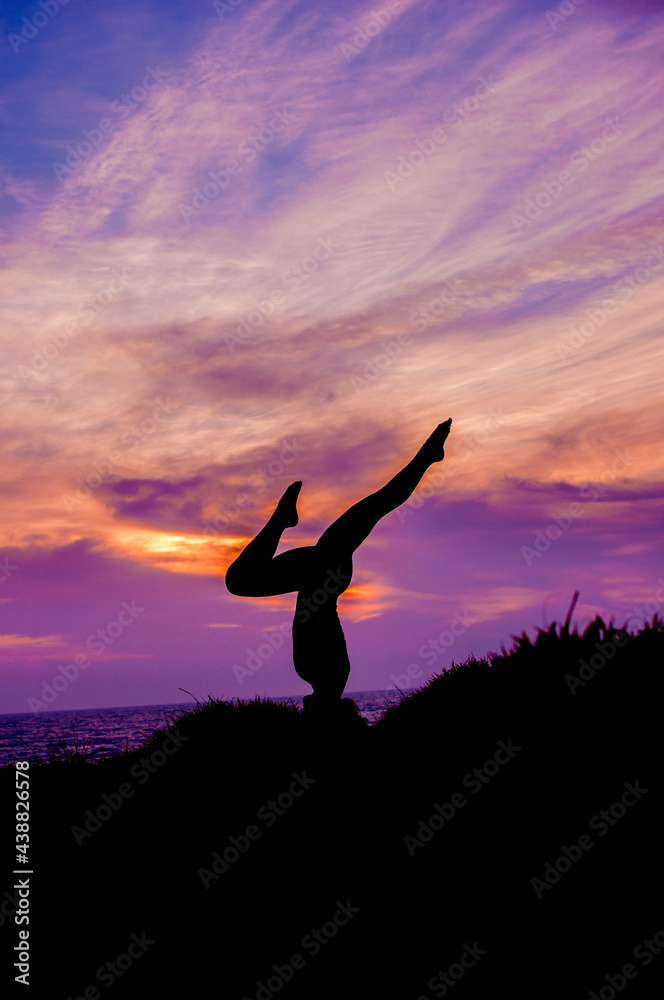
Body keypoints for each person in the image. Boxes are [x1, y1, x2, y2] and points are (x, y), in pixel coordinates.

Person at [225, 418, 452, 714]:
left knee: (239, 582)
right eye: (309, 712)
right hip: (324, 574)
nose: (304, 708)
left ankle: (282, 520)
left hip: (317, 575)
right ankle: (426, 457)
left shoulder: (316, 676)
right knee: (377, 506)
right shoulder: (330, 678)